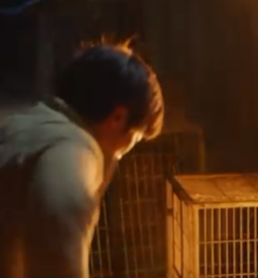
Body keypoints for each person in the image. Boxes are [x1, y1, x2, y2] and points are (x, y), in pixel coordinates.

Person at [0, 43, 164, 278]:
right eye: (137, 137)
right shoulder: (73, 150)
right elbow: (61, 227)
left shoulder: (25, 124)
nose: (128, 149)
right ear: (118, 118)